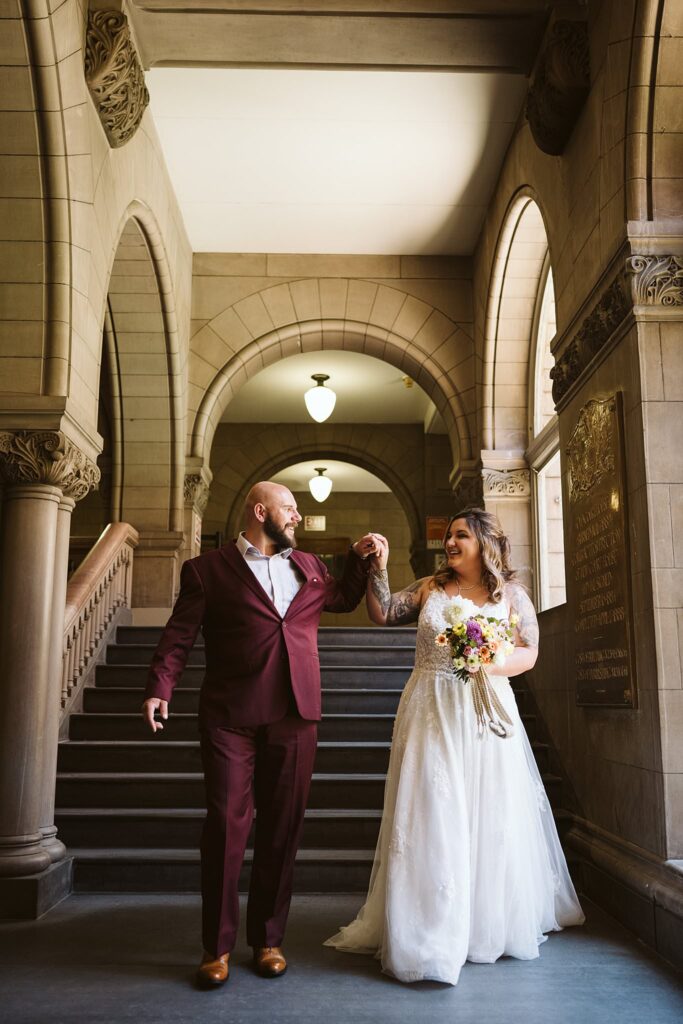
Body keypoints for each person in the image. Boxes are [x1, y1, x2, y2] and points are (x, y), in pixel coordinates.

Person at [325, 507, 584, 985]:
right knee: (431, 810)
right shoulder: (429, 587)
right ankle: (427, 928)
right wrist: (377, 568)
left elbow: (529, 651)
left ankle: (483, 925)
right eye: (448, 535)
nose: (450, 541)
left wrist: (489, 660)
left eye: (460, 535)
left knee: (488, 811)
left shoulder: (512, 596)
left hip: (485, 712)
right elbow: (383, 613)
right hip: (429, 708)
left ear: (485, 542)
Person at [142, 481, 381, 987]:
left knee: (282, 830)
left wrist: (361, 560)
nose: (297, 516)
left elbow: (342, 599)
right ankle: (218, 948)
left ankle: (269, 940)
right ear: (260, 511)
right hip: (231, 715)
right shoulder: (206, 570)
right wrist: (160, 686)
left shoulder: (311, 566)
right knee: (226, 829)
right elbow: (179, 635)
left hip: (296, 714)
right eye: (289, 509)